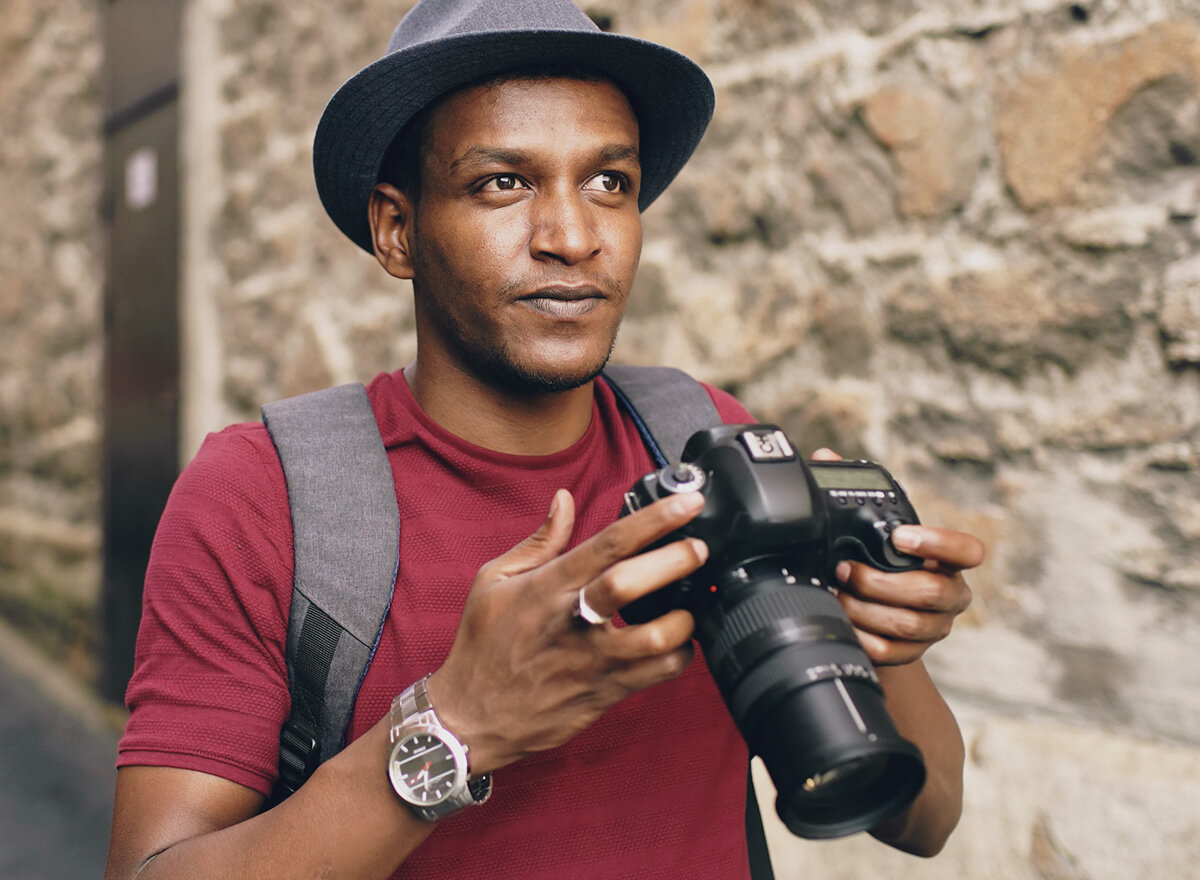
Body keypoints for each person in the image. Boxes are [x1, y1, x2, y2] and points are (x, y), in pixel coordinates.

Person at [103, 1, 984, 879]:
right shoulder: (264, 495)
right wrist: (459, 723)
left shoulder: (706, 441)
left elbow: (928, 813)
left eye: (610, 183)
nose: (573, 237)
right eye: (503, 183)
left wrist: (875, 634)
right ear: (397, 229)